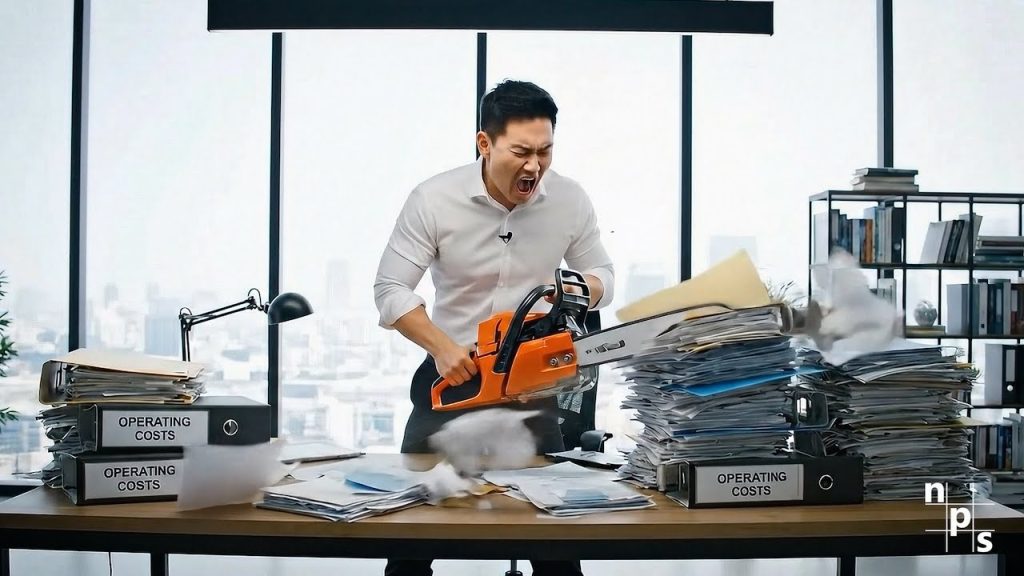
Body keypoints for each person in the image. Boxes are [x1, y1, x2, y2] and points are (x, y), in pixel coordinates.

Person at [374, 79, 615, 576]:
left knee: (556, 548)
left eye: (545, 152)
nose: (534, 166)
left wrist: (573, 289)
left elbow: (603, 276)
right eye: (521, 152)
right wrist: (442, 348)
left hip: (532, 387)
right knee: (410, 540)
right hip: (453, 376)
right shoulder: (433, 199)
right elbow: (391, 289)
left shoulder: (570, 200)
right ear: (485, 143)